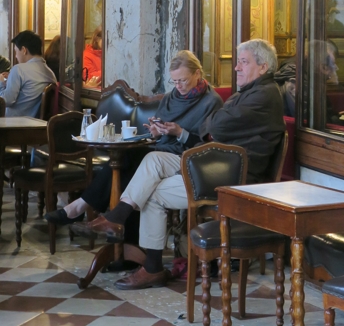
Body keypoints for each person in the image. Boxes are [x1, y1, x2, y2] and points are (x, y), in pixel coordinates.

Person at [74, 39, 285, 290]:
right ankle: (122, 224)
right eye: (237, 61)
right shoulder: (250, 92)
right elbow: (216, 126)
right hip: (212, 165)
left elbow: (215, 125)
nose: (236, 68)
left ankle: (145, 258)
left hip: (233, 178)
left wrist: (207, 128)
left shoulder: (263, 94)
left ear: (263, 67)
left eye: (243, 62)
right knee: (152, 159)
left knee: (152, 189)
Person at [46, 51, 222, 239]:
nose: (179, 86)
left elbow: (208, 145)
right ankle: (122, 245)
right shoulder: (172, 97)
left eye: (183, 80)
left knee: (134, 166)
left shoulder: (211, 102)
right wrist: (156, 130)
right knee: (125, 160)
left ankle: (83, 208)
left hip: (186, 157)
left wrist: (179, 132)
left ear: (197, 74)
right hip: (162, 149)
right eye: (175, 81)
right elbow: (162, 129)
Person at [0, 31, 56, 118]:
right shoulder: (50, 73)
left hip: (12, 123)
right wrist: (10, 78)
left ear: (24, 50)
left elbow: (6, 101)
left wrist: (1, 82)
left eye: (16, 51)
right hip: (35, 122)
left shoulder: (18, 69)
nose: (16, 56)